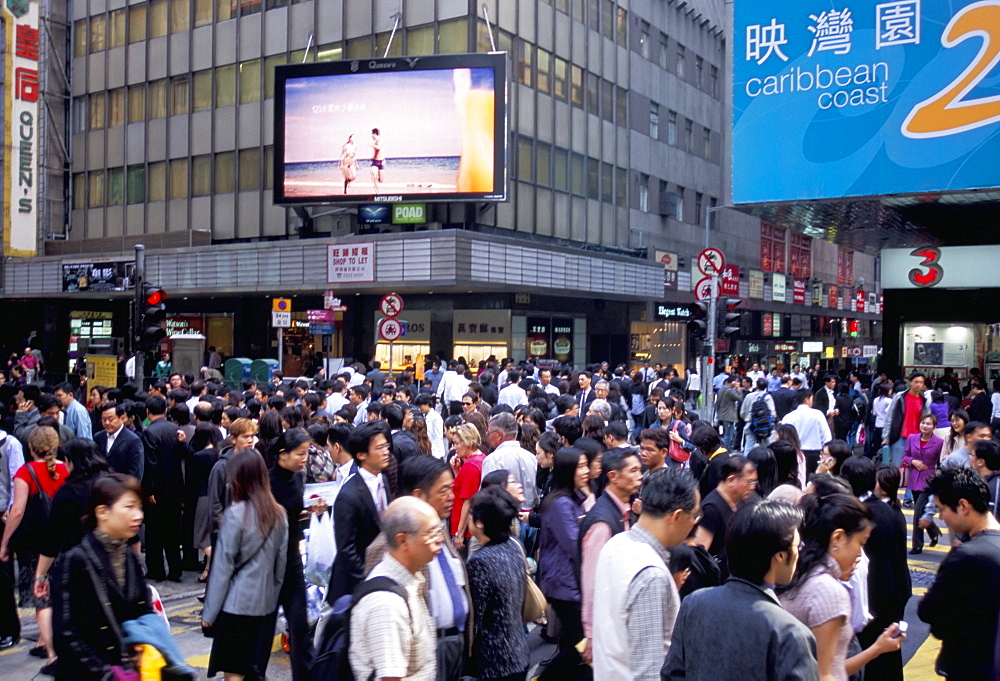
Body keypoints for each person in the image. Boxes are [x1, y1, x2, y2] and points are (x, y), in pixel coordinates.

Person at [662, 500, 819, 680]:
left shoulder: (694, 603)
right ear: (780, 556)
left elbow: (671, 674)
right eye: (797, 546)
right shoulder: (791, 634)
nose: (799, 552)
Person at [778, 493, 904, 680]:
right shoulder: (829, 591)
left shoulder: (800, 574)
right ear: (838, 538)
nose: (861, 554)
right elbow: (824, 674)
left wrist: (876, 649)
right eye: (860, 543)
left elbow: (830, 665)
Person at [592, 468, 700, 680]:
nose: (695, 523)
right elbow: (648, 672)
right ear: (676, 516)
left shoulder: (616, 544)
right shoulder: (650, 576)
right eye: (694, 515)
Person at [50, 474, 151, 680]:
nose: (138, 515)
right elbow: (66, 634)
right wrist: (107, 675)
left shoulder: (130, 557)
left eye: (139, 507)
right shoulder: (75, 560)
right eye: (129, 507)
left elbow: (143, 611)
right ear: (102, 512)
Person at [202, 450, 289, 681]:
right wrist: (271, 600)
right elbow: (280, 567)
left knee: (234, 671)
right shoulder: (279, 514)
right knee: (252, 667)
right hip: (264, 605)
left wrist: (209, 613)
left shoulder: (235, 514)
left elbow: (222, 568)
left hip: (236, 605)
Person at [916, 467, 1000, 679]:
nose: (942, 517)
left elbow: (929, 611)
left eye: (942, 509)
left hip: (971, 667)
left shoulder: (966, 556)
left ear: (963, 506)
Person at [350, 496, 440, 681]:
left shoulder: (408, 579)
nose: (439, 539)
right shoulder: (386, 606)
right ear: (403, 540)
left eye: (439, 530)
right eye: (431, 532)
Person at [0, 426, 67, 668]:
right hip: (62, 539)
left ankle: (51, 653)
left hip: (34, 542)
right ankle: (42, 640)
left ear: (30, 447)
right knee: (57, 591)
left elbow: (17, 511)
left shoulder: (26, 472)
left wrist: (5, 541)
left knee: (41, 597)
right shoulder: (66, 469)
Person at [840, 457, 911, 681]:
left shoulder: (854, 514)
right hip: (894, 594)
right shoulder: (888, 509)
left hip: (870, 599)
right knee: (890, 657)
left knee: (872, 659)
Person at [261, 428, 323, 681]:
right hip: (268, 564)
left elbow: (294, 513)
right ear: (282, 454)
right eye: (300, 453)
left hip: (293, 561)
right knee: (263, 630)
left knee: (299, 626)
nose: (305, 458)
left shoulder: (299, 478)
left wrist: (313, 511)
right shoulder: (265, 481)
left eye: (307, 452)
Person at [579, 447, 644, 663]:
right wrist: (591, 633)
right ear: (613, 476)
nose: (639, 476)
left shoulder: (620, 511)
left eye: (639, 470)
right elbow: (592, 581)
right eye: (633, 471)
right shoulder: (602, 522)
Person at [538, 447, 594, 680]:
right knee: (580, 645)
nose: (586, 471)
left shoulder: (573, 499)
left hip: (569, 583)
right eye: (580, 466)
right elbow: (575, 544)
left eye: (586, 465)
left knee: (576, 644)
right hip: (564, 584)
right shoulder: (561, 504)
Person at [466, 488, 529, 681]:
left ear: (479, 523)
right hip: (519, 650)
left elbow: (476, 617)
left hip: (494, 660)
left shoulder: (480, 562)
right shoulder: (514, 545)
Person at [329, 420, 392, 602]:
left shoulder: (383, 480)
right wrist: (367, 579)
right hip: (356, 584)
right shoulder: (348, 495)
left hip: (380, 572)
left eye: (386, 446)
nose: (386, 452)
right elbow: (346, 549)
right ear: (361, 454)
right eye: (379, 448)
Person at [141, 395, 190, 582]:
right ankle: (175, 570)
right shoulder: (176, 430)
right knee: (172, 532)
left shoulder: (149, 432)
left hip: (157, 491)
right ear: (166, 410)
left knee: (154, 533)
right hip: (176, 489)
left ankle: (156, 570)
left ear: (147, 412)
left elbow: (151, 464)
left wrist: (149, 489)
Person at [693, 455, 757, 577]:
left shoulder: (741, 502)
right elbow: (700, 553)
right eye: (749, 482)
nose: (753, 487)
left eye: (754, 482)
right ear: (731, 480)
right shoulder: (712, 509)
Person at [480, 413, 538, 510]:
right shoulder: (531, 457)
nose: (488, 437)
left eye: (489, 433)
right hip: (531, 516)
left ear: (499, 435)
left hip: (505, 516)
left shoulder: (493, 460)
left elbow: (486, 494)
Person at [903, 414, 943, 553]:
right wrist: (912, 461)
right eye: (923, 423)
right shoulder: (912, 438)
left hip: (928, 481)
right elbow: (905, 455)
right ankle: (934, 531)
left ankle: (917, 544)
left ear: (934, 427)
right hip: (914, 479)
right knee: (921, 512)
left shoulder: (939, 442)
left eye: (929, 424)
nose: (925, 426)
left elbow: (940, 462)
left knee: (918, 512)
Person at [189, 422, 223, 583]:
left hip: (202, 498)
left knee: (200, 537)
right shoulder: (219, 453)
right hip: (217, 497)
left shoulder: (199, 456)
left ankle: (216, 561)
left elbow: (192, 480)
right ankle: (208, 571)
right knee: (210, 535)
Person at [451, 423, 486, 549]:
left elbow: (468, 501)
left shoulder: (470, 466)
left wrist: (459, 533)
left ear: (468, 443)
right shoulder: (481, 459)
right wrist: (457, 472)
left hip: (466, 531)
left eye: (457, 443)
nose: (454, 447)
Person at [780, 390, 832, 475]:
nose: (813, 402)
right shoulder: (817, 414)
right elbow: (826, 436)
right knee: (814, 481)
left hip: (794, 454)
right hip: (814, 454)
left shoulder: (788, 417)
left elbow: (783, 438)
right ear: (807, 399)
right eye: (812, 399)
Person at [94, 402, 144, 481]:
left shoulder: (133, 440)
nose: (107, 423)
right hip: (101, 487)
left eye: (111, 419)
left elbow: (135, 473)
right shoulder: (98, 437)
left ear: (122, 418)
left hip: (121, 488)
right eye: (104, 420)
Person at [369, 127, 384, 193]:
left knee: (381, 180)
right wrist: (373, 157)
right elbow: (376, 152)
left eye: (372, 134)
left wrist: (371, 145)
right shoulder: (375, 142)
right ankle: (377, 193)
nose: (371, 136)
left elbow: (379, 148)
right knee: (374, 176)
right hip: (375, 162)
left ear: (375, 134)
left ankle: (377, 181)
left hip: (381, 162)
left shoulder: (380, 140)